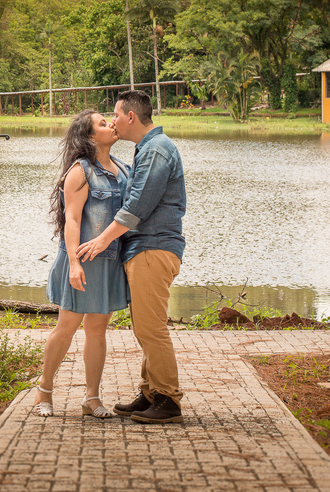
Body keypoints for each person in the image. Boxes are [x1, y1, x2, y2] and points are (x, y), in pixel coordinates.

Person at [77, 89, 186, 424]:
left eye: (115, 114)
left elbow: (137, 205)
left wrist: (101, 240)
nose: (112, 121)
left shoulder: (156, 149)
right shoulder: (148, 149)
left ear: (130, 117)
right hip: (144, 249)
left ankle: (168, 400)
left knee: (151, 330)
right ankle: (151, 392)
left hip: (153, 249)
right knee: (144, 326)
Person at [32, 109, 131, 419]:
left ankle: (91, 398)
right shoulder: (80, 171)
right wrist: (74, 264)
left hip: (109, 263)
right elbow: (72, 219)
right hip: (81, 262)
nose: (111, 124)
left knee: (98, 330)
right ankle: (43, 392)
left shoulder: (123, 170)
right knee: (66, 328)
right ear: (90, 137)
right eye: (103, 123)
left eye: (109, 120)